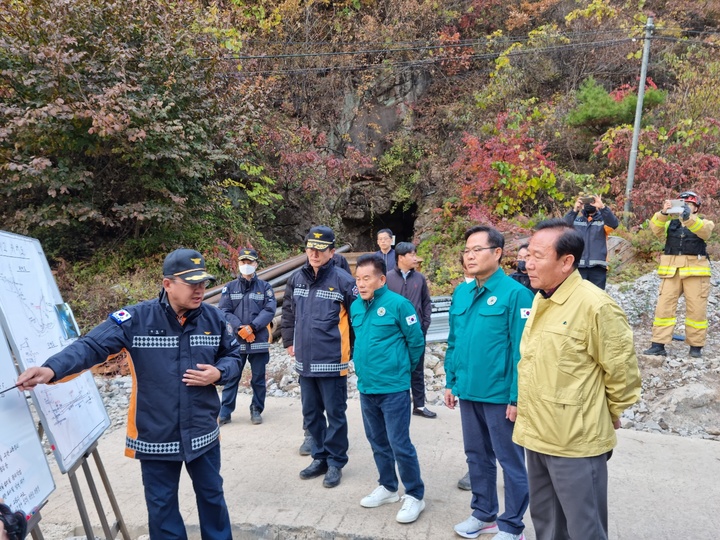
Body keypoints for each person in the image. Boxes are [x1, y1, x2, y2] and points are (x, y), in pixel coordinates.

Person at [17, 249, 241, 540]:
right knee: (162, 510)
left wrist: (219, 373)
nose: (199, 289)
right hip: (155, 435)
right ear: (168, 283)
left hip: (202, 433)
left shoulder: (214, 318)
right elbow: (90, 346)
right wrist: (51, 369)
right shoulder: (135, 319)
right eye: (191, 283)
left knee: (212, 498)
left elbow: (234, 355)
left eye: (203, 282)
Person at [513, 219, 641, 540]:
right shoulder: (542, 298)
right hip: (538, 435)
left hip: (575, 442)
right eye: (528, 255)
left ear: (566, 261)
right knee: (546, 523)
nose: (527, 263)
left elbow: (622, 373)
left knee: (585, 529)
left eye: (538, 256)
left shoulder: (595, 306)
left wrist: (610, 411)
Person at [445, 225, 533, 540]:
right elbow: (455, 341)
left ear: (497, 253)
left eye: (476, 250)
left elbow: (522, 352)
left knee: (510, 461)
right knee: (476, 456)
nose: (469, 256)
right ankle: (484, 515)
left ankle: (512, 526)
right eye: (466, 250)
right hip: (468, 391)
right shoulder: (462, 292)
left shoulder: (516, 294)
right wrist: (451, 381)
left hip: (499, 396)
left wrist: (516, 398)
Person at [351, 254, 427, 524]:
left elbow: (416, 342)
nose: (361, 284)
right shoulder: (356, 307)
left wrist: (402, 370)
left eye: (366, 278)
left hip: (393, 388)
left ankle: (415, 494)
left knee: (399, 443)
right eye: (358, 279)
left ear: (381, 279)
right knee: (377, 441)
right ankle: (388, 487)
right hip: (367, 387)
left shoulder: (399, 305)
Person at [280, 225, 358, 488]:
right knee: (311, 413)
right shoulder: (296, 279)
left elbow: (357, 321)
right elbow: (289, 312)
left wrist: (354, 354)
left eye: (320, 249)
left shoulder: (344, 282)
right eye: (310, 248)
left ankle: (336, 462)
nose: (314, 253)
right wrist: (289, 341)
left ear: (332, 252)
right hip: (305, 361)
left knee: (335, 414)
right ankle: (319, 457)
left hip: (332, 359)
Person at [643, 191, 714, 358]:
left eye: (688, 204)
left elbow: (704, 232)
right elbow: (655, 229)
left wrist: (688, 218)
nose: (684, 207)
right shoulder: (670, 224)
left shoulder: (704, 222)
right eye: (681, 204)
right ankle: (658, 344)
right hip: (671, 271)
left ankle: (695, 346)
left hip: (696, 273)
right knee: (664, 308)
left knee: (697, 310)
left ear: (696, 208)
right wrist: (663, 213)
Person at [218, 247, 276, 425]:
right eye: (243, 262)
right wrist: (239, 327)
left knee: (258, 378)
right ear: (238, 264)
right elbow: (224, 310)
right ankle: (225, 411)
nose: (246, 265)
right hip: (236, 341)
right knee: (232, 377)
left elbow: (269, 310)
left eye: (249, 262)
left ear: (256, 264)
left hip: (258, 340)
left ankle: (256, 409)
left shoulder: (265, 288)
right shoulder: (229, 288)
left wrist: (252, 327)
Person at [386, 242, 435, 419]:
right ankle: (397, 406)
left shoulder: (419, 278)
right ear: (401, 257)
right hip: (395, 335)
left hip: (416, 333)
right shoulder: (388, 278)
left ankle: (420, 406)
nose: (415, 258)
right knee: (395, 368)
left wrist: (424, 325)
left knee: (417, 369)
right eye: (412, 255)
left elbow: (426, 303)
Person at [563, 194, 619, 289]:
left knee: (597, 299)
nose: (589, 205)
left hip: (598, 269)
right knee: (578, 298)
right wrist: (575, 210)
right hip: (578, 268)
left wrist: (602, 207)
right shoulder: (577, 221)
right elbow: (563, 227)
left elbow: (614, 224)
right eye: (586, 202)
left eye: (592, 202)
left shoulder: (603, 222)